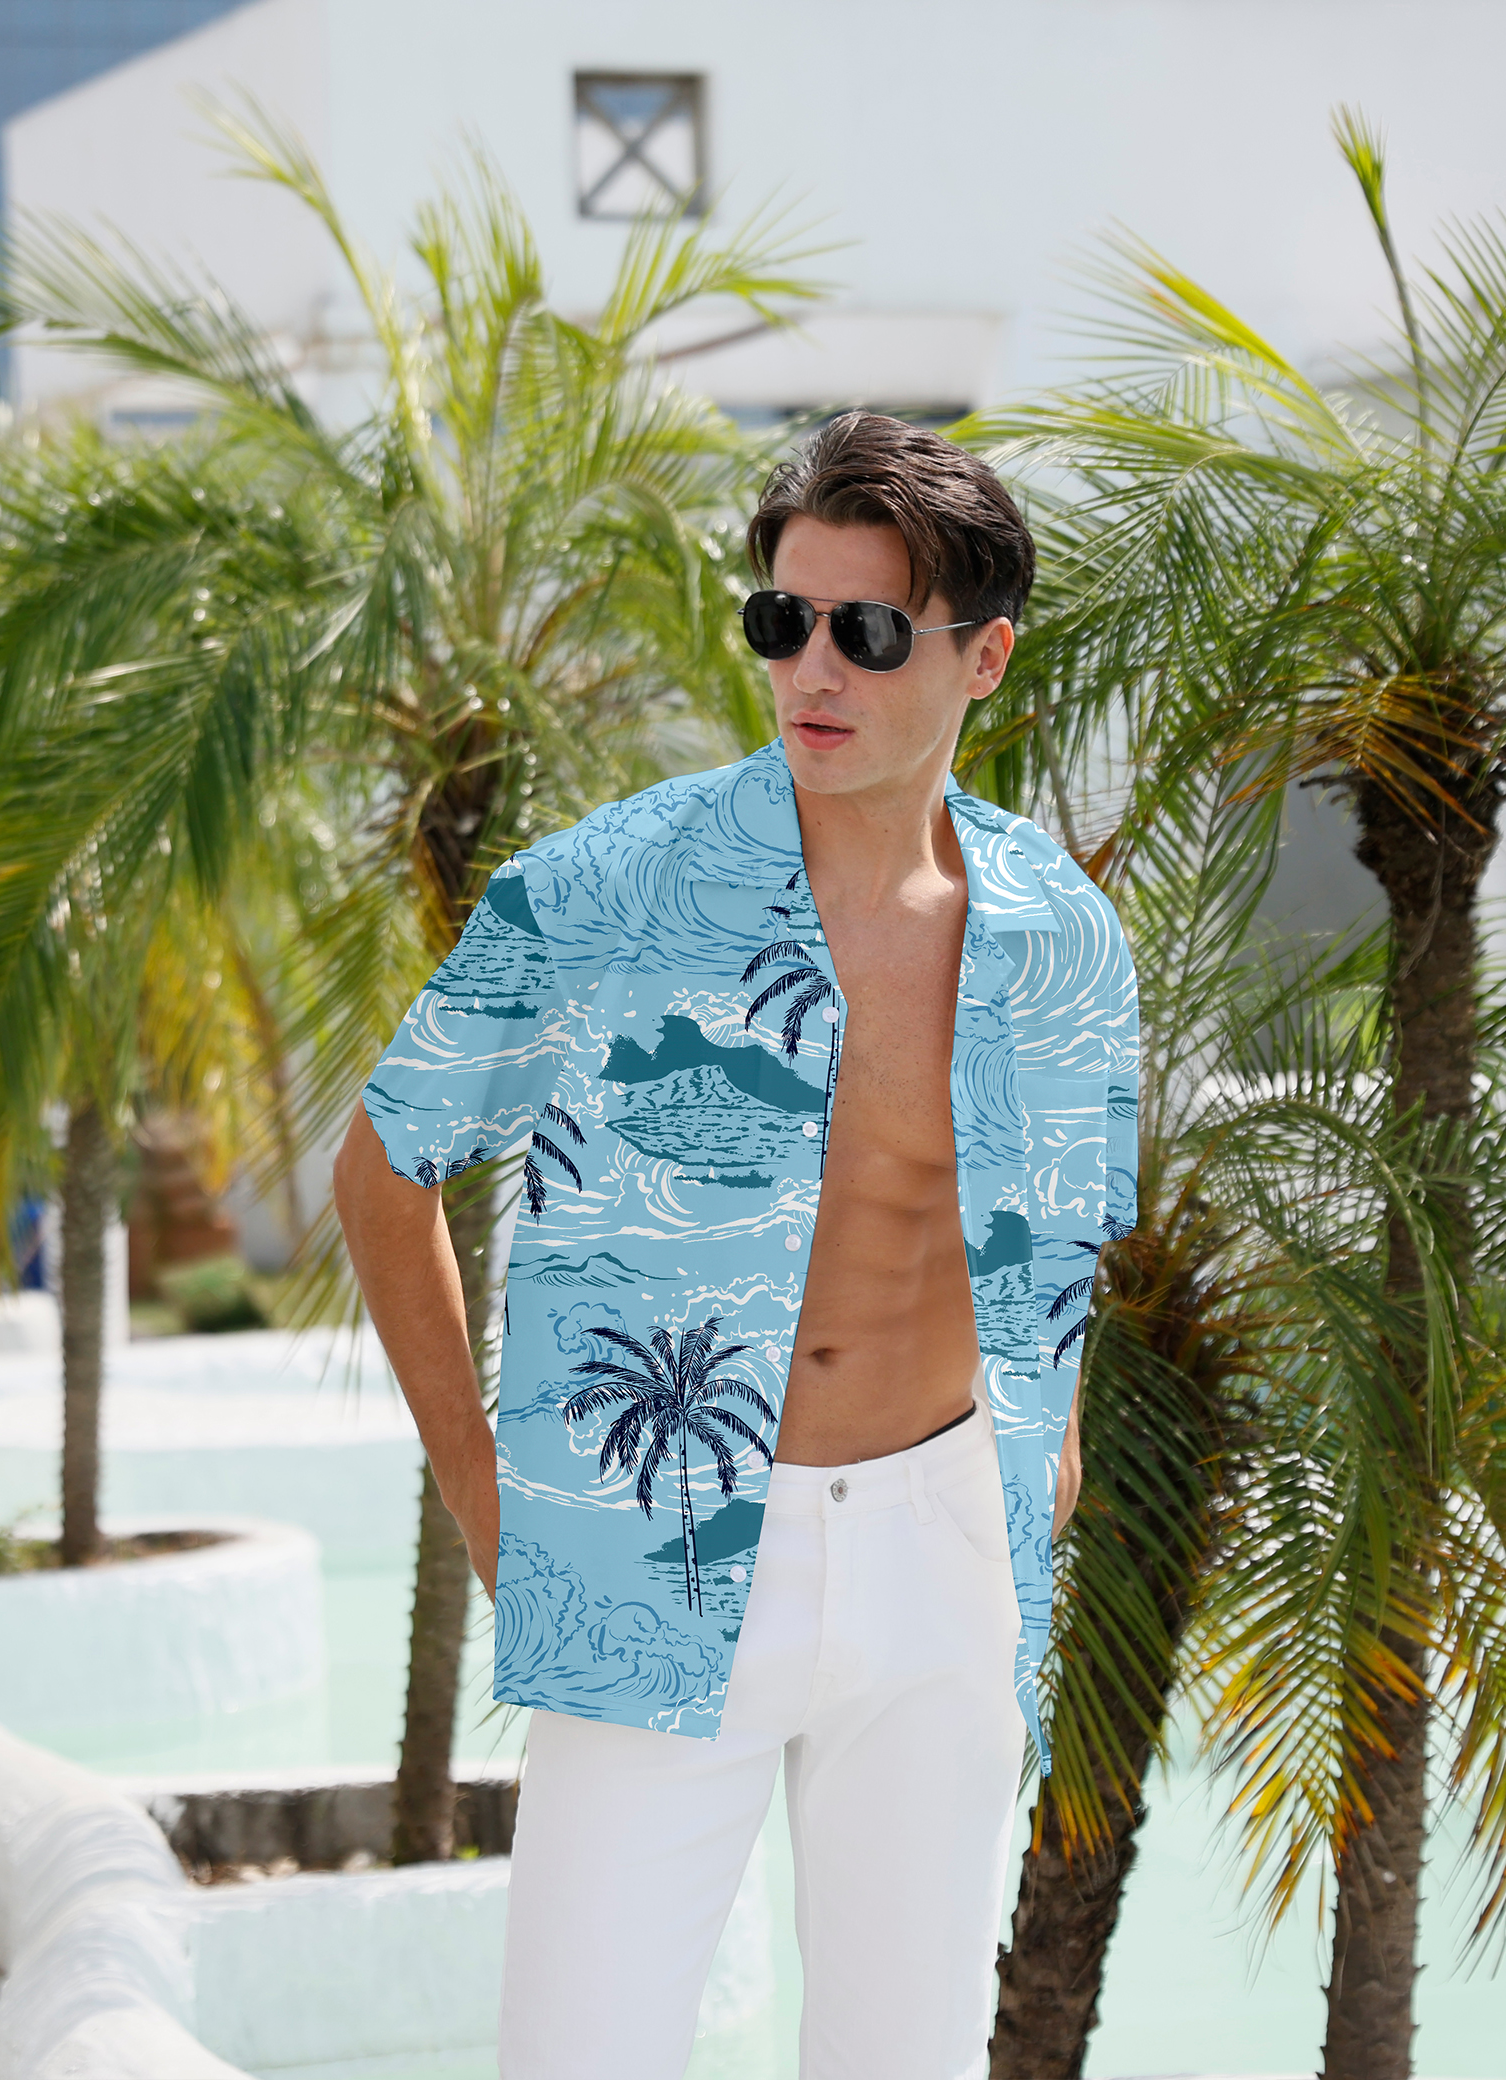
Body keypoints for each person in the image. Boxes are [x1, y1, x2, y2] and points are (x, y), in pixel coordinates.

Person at [333, 411, 1138, 2080]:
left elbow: (1067, 1216)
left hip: (941, 1551)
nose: (812, 670)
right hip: (656, 1534)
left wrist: (1049, 1446)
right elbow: (383, 1165)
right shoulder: (605, 889)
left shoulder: (1062, 933)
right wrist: (484, 1489)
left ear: (984, 657)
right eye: (784, 620)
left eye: (869, 631)